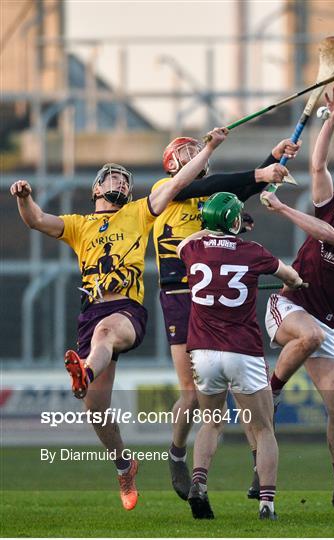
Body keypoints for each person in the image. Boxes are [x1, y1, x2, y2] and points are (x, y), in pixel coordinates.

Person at [9, 126, 228, 512]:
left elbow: (176, 183)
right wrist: (24, 198)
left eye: (124, 179)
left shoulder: (138, 212)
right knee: (96, 409)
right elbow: (37, 220)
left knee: (107, 334)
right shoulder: (80, 225)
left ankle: (85, 372)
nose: (119, 182)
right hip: (90, 314)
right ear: (96, 190)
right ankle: (124, 465)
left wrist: (208, 148)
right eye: (111, 177)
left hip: (126, 310)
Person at [152, 134, 302, 500]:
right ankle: (176, 455)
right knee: (191, 395)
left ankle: (257, 468)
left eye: (195, 150)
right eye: (183, 151)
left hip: (215, 299)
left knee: (244, 388)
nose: (193, 155)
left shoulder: (210, 200)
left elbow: (235, 192)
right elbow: (218, 183)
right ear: (171, 163)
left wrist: (272, 159)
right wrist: (260, 169)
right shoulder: (168, 189)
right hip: (180, 296)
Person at [260, 88, 334, 515]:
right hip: (288, 307)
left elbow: (327, 236)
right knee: (307, 334)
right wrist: (332, 119)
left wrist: (281, 209)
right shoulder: (326, 207)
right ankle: (271, 392)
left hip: (323, 324)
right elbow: (317, 164)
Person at [177, 192, 306, 520]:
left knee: (211, 423)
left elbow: (185, 243)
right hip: (243, 352)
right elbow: (289, 277)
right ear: (236, 220)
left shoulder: (192, 249)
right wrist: (298, 284)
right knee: (263, 429)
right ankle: (267, 503)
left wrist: (209, 225)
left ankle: (199, 483)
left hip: (203, 351)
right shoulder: (253, 252)